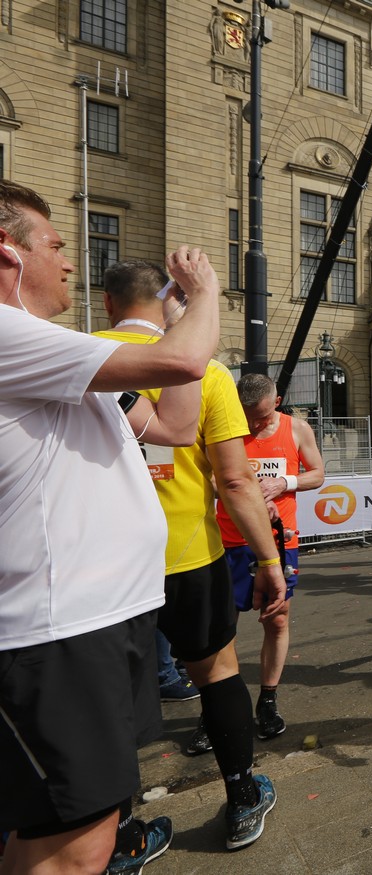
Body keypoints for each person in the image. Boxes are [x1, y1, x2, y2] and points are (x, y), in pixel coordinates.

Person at [0, 180, 219, 875]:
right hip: (54, 631)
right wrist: (206, 294)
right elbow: (184, 360)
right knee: (74, 842)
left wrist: (177, 313)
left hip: (102, 619)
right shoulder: (6, 335)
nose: (69, 261)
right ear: (7, 252)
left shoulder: (54, 352)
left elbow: (174, 425)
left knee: (76, 829)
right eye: (55, 245)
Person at [98, 259, 286, 854]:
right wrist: (268, 561)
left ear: (108, 304)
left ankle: (117, 834)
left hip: (103, 565)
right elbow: (236, 481)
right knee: (218, 674)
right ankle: (241, 798)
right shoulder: (207, 372)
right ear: (168, 302)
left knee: (110, 697)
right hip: (186, 556)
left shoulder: (81, 355)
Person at [215, 374, 325, 740]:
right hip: (230, 540)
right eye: (246, 415)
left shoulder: (297, 429)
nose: (252, 424)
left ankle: (267, 699)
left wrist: (283, 483)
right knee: (222, 628)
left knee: (277, 621)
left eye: (260, 417)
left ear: (276, 402)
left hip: (281, 541)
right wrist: (245, 494)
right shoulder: (225, 426)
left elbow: (317, 474)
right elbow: (210, 477)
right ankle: (216, 707)